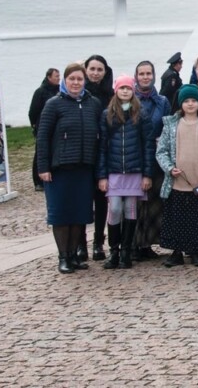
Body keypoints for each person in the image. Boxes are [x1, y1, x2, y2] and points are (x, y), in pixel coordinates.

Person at [36, 63, 103, 274]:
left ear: (85, 81)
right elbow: (43, 137)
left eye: (79, 79)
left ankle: (74, 255)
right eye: (71, 79)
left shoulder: (93, 103)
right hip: (60, 169)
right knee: (61, 214)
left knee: (79, 214)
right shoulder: (53, 104)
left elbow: (100, 136)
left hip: (84, 168)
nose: (75, 83)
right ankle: (63, 256)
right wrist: (43, 167)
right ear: (65, 81)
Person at [156, 84, 198, 267]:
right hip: (177, 181)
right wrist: (169, 168)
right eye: (186, 101)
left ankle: (196, 251)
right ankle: (176, 251)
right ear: (180, 104)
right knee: (176, 217)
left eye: (194, 100)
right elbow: (161, 151)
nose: (190, 104)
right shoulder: (171, 123)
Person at [97, 74, 154, 269]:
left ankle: (126, 251)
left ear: (133, 91)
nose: (125, 91)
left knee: (130, 209)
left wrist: (147, 174)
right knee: (114, 209)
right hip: (114, 170)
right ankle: (114, 250)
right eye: (122, 88)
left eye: (128, 88)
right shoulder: (107, 114)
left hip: (134, 169)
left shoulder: (141, 113)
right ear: (116, 90)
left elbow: (147, 145)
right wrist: (102, 175)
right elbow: (102, 147)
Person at [132, 60, 171, 260]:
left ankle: (148, 243)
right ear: (136, 76)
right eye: (142, 73)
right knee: (137, 202)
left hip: (157, 158)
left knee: (155, 202)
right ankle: (134, 243)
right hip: (135, 156)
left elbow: (168, 125)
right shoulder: (130, 99)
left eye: (149, 73)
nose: (145, 77)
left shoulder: (162, 101)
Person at [83, 54, 113, 261]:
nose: (95, 73)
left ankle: (98, 241)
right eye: (92, 69)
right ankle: (79, 243)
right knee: (83, 201)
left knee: (102, 201)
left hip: (104, 151)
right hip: (84, 153)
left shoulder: (109, 95)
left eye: (99, 69)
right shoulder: (80, 94)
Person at [28, 67, 60, 191]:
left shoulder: (59, 91)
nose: (58, 78)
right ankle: (38, 181)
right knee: (40, 153)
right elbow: (33, 111)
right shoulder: (40, 91)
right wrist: (35, 125)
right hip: (42, 125)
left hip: (55, 126)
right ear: (49, 77)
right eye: (56, 76)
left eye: (59, 76)